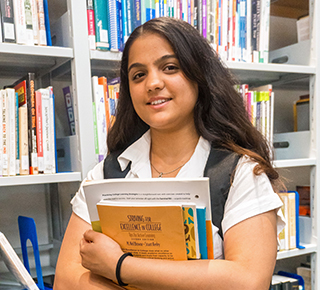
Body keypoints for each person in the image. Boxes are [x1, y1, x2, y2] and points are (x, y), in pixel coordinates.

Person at [54, 17, 284, 290]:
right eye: (138, 75)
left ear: (199, 76)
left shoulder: (240, 173)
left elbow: (248, 281)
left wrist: (119, 266)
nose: (152, 83)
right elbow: (67, 281)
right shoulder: (106, 174)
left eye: (170, 67)